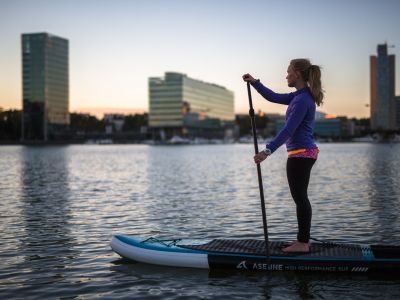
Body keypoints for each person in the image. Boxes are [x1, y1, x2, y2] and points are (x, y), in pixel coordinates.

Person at [242, 58, 324, 253]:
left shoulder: (303, 100)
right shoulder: (299, 96)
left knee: (300, 198)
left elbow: (288, 130)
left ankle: (302, 243)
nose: (286, 75)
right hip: (302, 153)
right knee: (300, 198)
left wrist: (266, 151)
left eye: (288, 72)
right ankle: (302, 241)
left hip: (301, 154)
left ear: (297, 74)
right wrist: (255, 83)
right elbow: (273, 97)